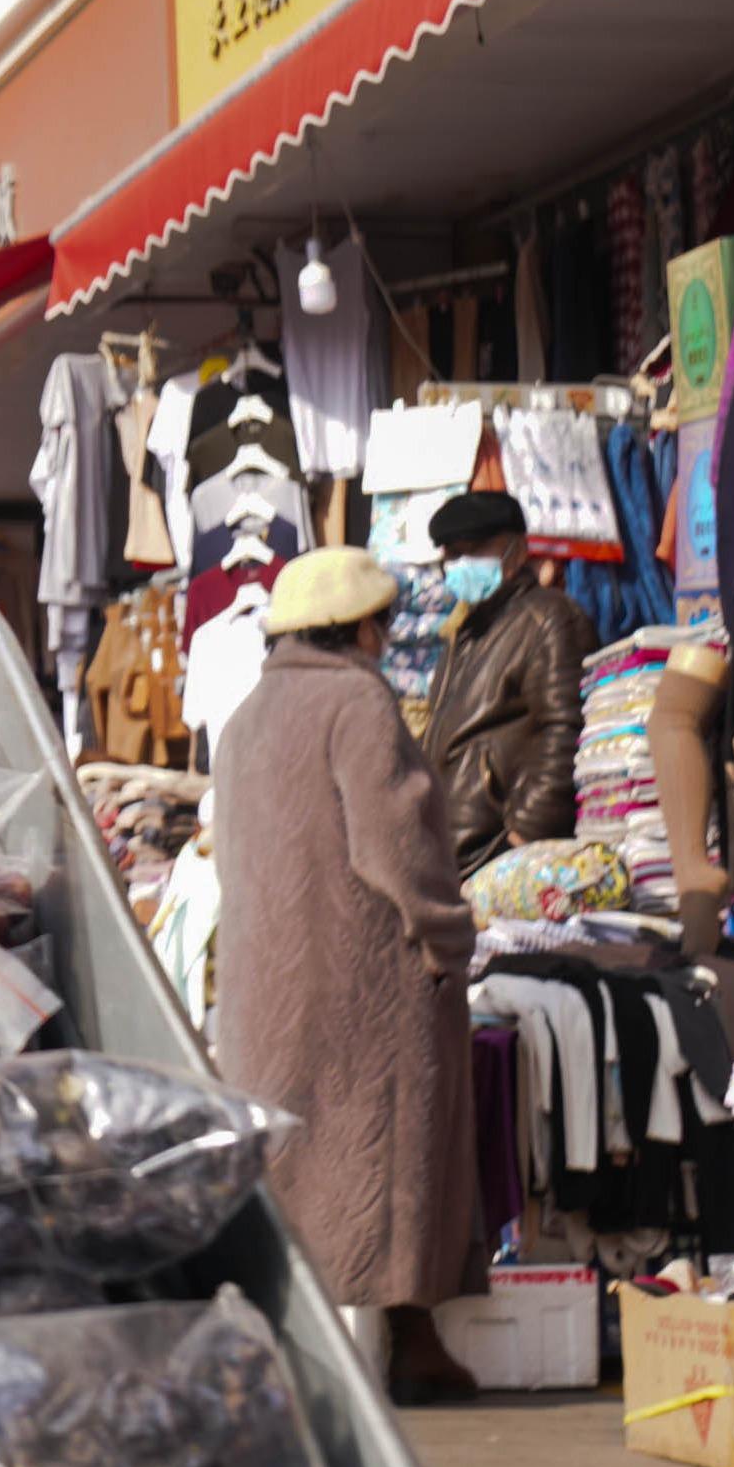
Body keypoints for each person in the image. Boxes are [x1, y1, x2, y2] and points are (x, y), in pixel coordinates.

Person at [211, 548, 485, 1405]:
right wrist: (447, 931)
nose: (386, 636)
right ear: (360, 628)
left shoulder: (245, 717)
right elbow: (393, 841)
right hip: (364, 975)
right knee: (389, 1156)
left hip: (268, 978)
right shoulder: (358, 702)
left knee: (293, 1157)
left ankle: (292, 1346)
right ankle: (412, 1338)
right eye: (382, 622)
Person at [422, 489, 590, 876]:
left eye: (476, 551)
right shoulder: (466, 633)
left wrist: (523, 835)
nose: (462, 565)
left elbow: (567, 730)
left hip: (498, 854)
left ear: (517, 551)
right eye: (452, 555)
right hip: (455, 856)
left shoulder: (548, 619)